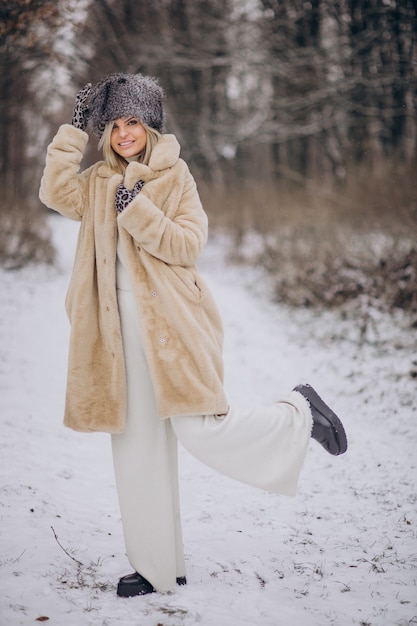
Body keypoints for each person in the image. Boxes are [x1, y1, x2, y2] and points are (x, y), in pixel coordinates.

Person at [39, 72, 348, 598]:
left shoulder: (173, 176)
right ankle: (158, 568)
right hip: (114, 340)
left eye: (133, 122)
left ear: (151, 125)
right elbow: (52, 191)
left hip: (174, 330)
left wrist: (135, 211)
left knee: (202, 429)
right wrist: (74, 130)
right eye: (113, 125)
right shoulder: (95, 183)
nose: (123, 134)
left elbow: (188, 244)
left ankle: (298, 413)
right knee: (136, 451)